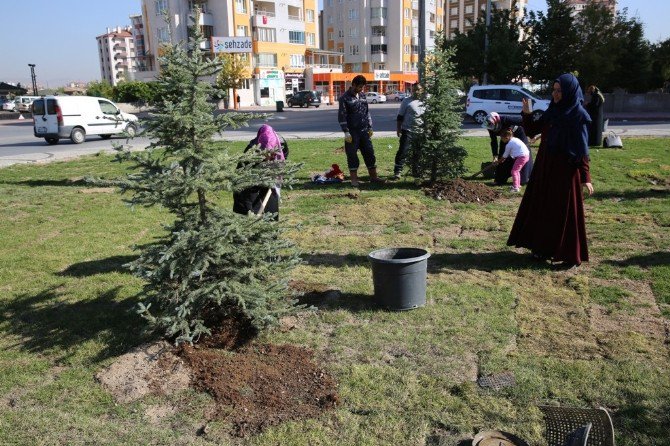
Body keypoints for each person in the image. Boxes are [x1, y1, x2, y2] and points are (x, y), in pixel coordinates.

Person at [507, 73, 594, 267]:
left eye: (559, 91)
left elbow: (582, 150)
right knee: (543, 208)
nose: (555, 94)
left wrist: (585, 176)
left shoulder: (578, 115)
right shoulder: (553, 110)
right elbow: (531, 131)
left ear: (570, 91)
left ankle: (570, 255)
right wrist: (527, 113)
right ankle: (541, 249)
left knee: (562, 213)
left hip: (565, 172)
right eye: (553, 90)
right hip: (545, 167)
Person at [338, 75, 384, 187]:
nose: (361, 89)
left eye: (362, 87)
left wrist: (370, 126)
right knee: (352, 155)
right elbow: (342, 116)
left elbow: (367, 112)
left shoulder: (363, 96)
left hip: (364, 131)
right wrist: (346, 132)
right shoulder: (345, 98)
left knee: (369, 153)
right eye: (359, 87)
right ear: (353, 85)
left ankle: (374, 177)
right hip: (352, 133)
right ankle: (354, 180)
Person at [232, 124, 285, 220]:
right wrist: (249, 211)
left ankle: (270, 232)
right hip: (248, 185)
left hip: (268, 182)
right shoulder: (250, 156)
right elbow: (243, 188)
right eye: (265, 154)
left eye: (271, 154)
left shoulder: (280, 144)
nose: (268, 157)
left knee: (271, 210)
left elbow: (284, 155)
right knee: (247, 212)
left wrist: (274, 173)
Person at [484, 112, 533, 185]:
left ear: (497, 121)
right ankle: (500, 180)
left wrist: (531, 134)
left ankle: (524, 178)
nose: (491, 127)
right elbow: (493, 141)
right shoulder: (490, 127)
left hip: (519, 134)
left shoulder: (506, 119)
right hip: (505, 136)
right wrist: (495, 156)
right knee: (503, 155)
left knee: (523, 153)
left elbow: (524, 121)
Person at [391, 83, 425, 180]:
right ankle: (397, 171)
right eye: (414, 90)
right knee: (403, 151)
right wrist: (398, 129)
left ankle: (416, 171)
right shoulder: (406, 101)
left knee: (417, 152)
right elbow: (400, 116)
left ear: (422, 90)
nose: (416, 92)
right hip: (407, 131)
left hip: (420, 131)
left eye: (418, 89)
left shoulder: (425, 102)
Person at [498, 128, 530, 193]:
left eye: (502, 138)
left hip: (522, 157)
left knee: (514, 171)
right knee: (517, 171)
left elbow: (505, 156)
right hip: (526, 155)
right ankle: (517, 185)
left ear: (506, 137)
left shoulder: (509, 145)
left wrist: (499, 161)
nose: (501, 140)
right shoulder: (515, 139)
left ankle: (516, 188)